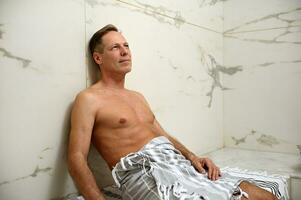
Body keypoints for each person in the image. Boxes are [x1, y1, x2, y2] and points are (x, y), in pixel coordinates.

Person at [67, 24, 280, 200]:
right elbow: (76, 157)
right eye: (115, 47)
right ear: (98, 58)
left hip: (178, 166)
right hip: (144, 174)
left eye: (126, 45)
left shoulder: (137, 97)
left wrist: (192, 156)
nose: (125, 51)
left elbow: (164, 136)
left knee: (264, 196)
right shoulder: (89, 99)